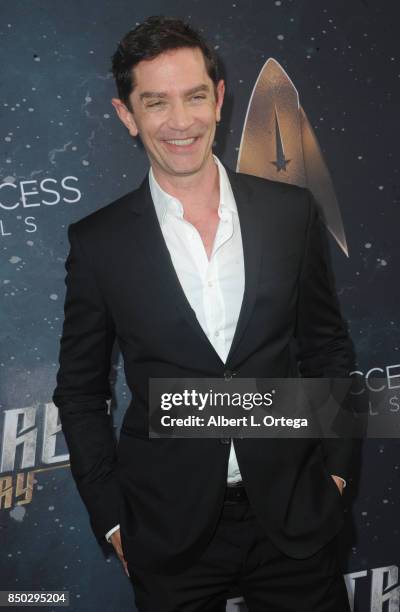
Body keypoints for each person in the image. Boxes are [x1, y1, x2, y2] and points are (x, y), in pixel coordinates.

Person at [53, 15, 355, 611]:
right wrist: (114, 519)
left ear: (218, 99)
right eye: (156, 102)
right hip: (167, 534)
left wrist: (337, 475)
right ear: (126, 115)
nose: (181, 121)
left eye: (194, 96)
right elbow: (82, 392)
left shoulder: (290, 212)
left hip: (296, 521)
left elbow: (327, 350)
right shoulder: (99, 242)